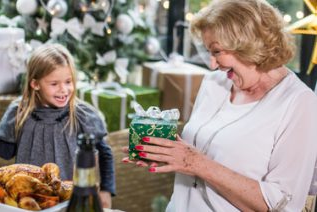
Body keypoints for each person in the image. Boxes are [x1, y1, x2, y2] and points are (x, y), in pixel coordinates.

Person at [122, 0, 317, 211]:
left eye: (216, 52)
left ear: (247, 43)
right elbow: (200, 150)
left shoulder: (299, 103)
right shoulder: (214, 82)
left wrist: (195, 163)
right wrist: (170, 155)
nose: (213, 64)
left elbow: (282, 205)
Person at [0, 44, 115, 208]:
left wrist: (106, 190)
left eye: (68, 81)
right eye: (54, 84)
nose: (64, 90)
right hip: (29, 200)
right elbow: (5, 150)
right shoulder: (19, 112)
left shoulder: (83, 115)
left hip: (70, 201)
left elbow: (104, 153)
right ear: (35, 84)